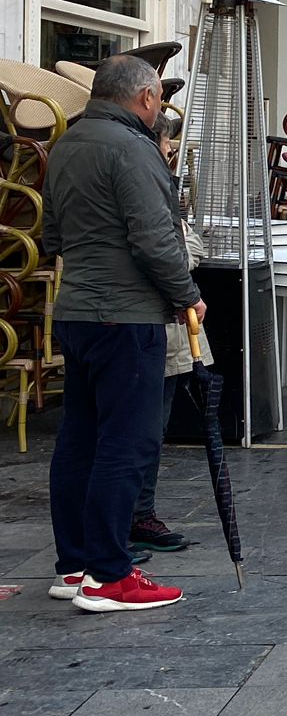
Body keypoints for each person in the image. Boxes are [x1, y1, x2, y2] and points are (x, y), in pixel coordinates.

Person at [43, 55, 202, 611]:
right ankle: (110, 574)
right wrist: (187, 295)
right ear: (146, 98)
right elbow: (155, 238)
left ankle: (76, 565)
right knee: (126, 443)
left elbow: (51, 233)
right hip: (126, 315)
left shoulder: (66, 144)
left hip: (78, 311)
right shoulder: (133, 149)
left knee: (79, 441)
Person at [129, 112, 208, 555]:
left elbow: (189, 244)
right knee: (136, 433)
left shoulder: (163, 189)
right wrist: (182, 283)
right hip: (145, 324)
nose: (171, 153)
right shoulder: (141, 181)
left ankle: (141, 512)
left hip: (170, 334)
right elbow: (167, 251)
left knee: (151, 432)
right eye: (166, 144)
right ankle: (128, 518)